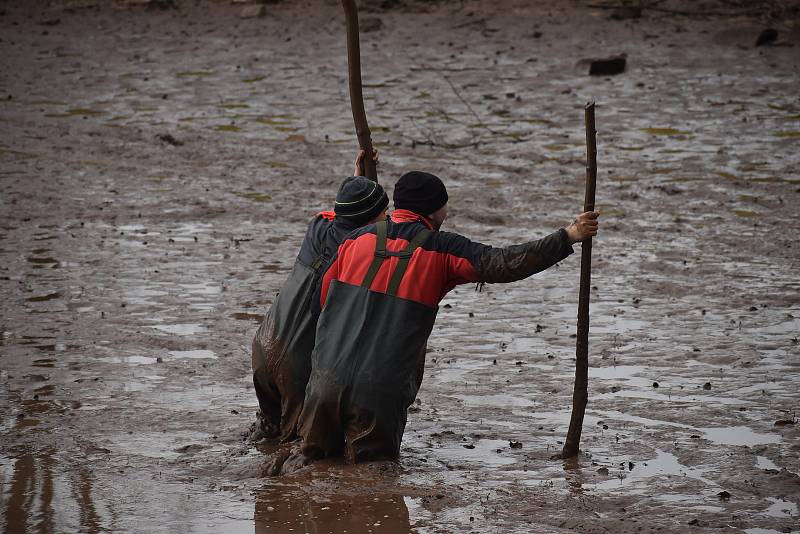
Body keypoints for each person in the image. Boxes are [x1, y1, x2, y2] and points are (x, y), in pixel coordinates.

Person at [297, 171, 599, 463]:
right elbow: (505, 263)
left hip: (324, 385)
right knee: (373, 486)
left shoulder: (352, 241)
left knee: (309, 474)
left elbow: (319, 305)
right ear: (436, 210)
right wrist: (568, 236)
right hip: (378, 395)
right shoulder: (444, 249)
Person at [250, 150, 388, 442]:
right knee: (295, 449)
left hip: (264, 346)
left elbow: (347, 215)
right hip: (295, 365)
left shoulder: (318, 225)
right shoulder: (357, 253)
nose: (386, 219)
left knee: (269, 435)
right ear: (369, 220)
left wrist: (358, 181)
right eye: (382, 215)